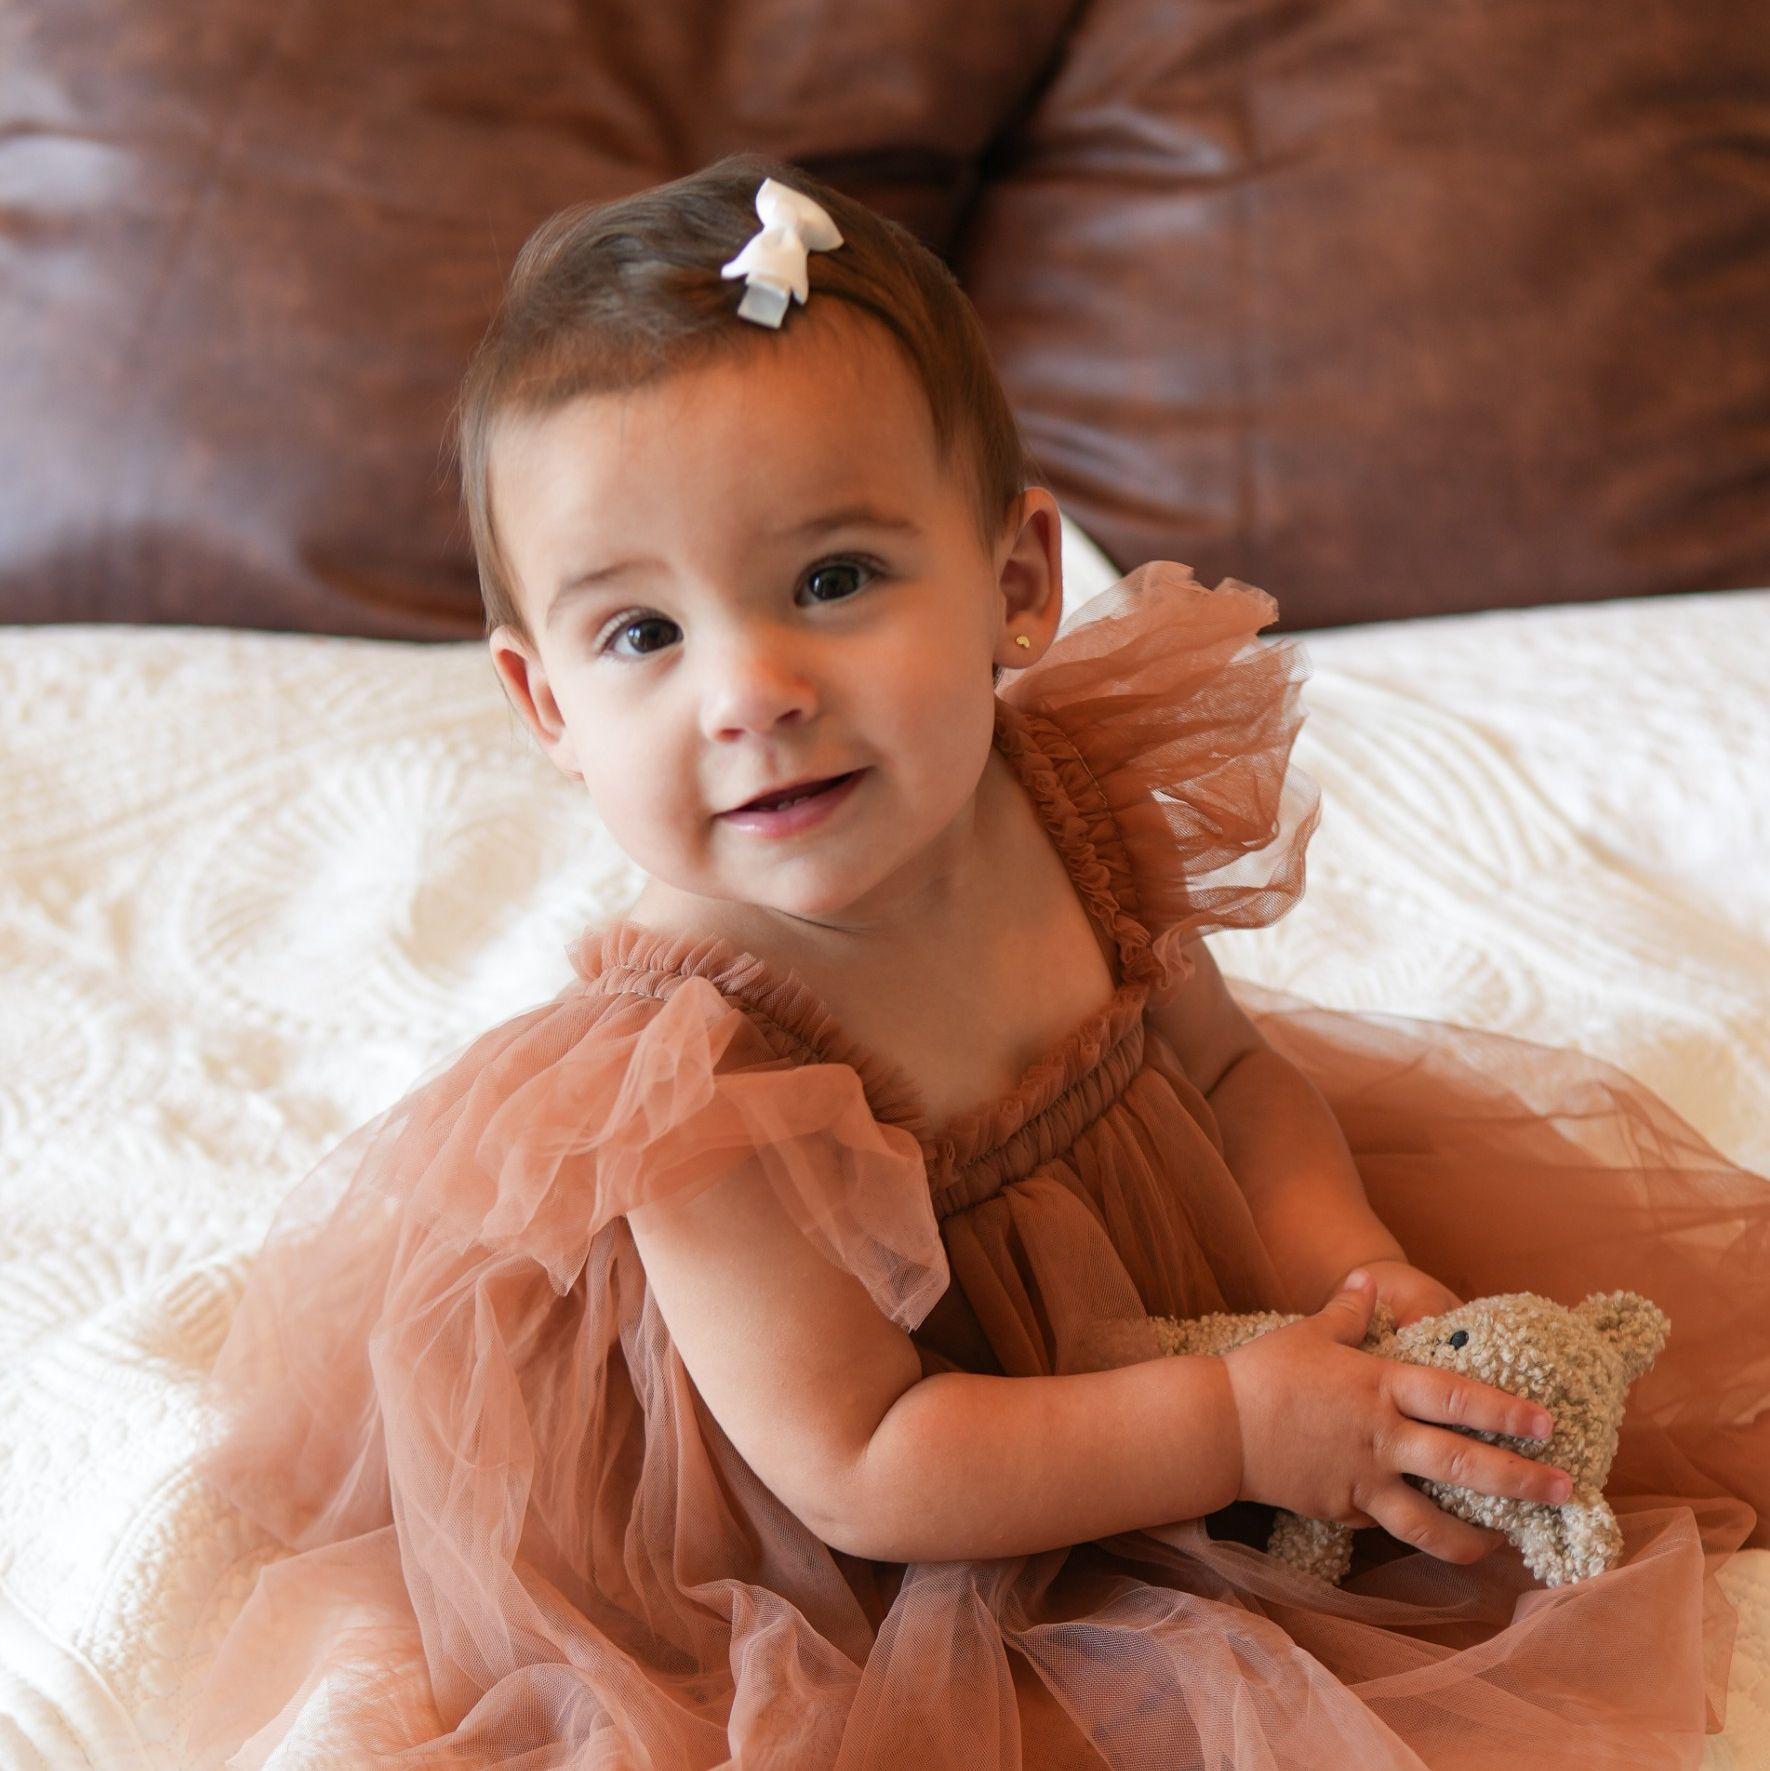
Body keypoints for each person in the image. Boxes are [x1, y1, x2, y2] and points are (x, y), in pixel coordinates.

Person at [182, 150, 1770, 1770]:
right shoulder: (686, 1077)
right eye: (643, 634)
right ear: (546, 709)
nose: (749, 691)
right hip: (909, 1489)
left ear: (1015, 586)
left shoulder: (1070, 799)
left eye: (832, 579)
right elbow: (862, 1463)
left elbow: (1227, 1076)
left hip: (1165, 1345)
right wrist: (1234, 1425)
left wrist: (1346, 1278)